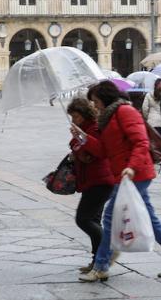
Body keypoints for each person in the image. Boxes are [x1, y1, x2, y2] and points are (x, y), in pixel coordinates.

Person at [71, 81, 161, 282]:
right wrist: (84, 138)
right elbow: (105, 151)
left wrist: (131, 167)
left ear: (105, 98)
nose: (94, 105)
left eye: (96, 101)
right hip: (124, 174)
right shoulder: (107, 118)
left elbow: (140, 142)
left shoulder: (125, 112)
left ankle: (101, 266)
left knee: (108, 217)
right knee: (150, 217)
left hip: (134, 174)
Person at [67, 98, 115, 274]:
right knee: (94, 220)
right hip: (92, 180)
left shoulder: (94, 127)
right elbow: (81, 150)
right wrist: (76, 139)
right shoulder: (85, 128)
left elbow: (95, 153)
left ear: (85, 114)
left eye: (76, 117)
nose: (74, 121)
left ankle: (106, 253)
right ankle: (98, 261)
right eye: (72, 117)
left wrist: (79, 139)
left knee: (83, 219)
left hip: (100, 181)